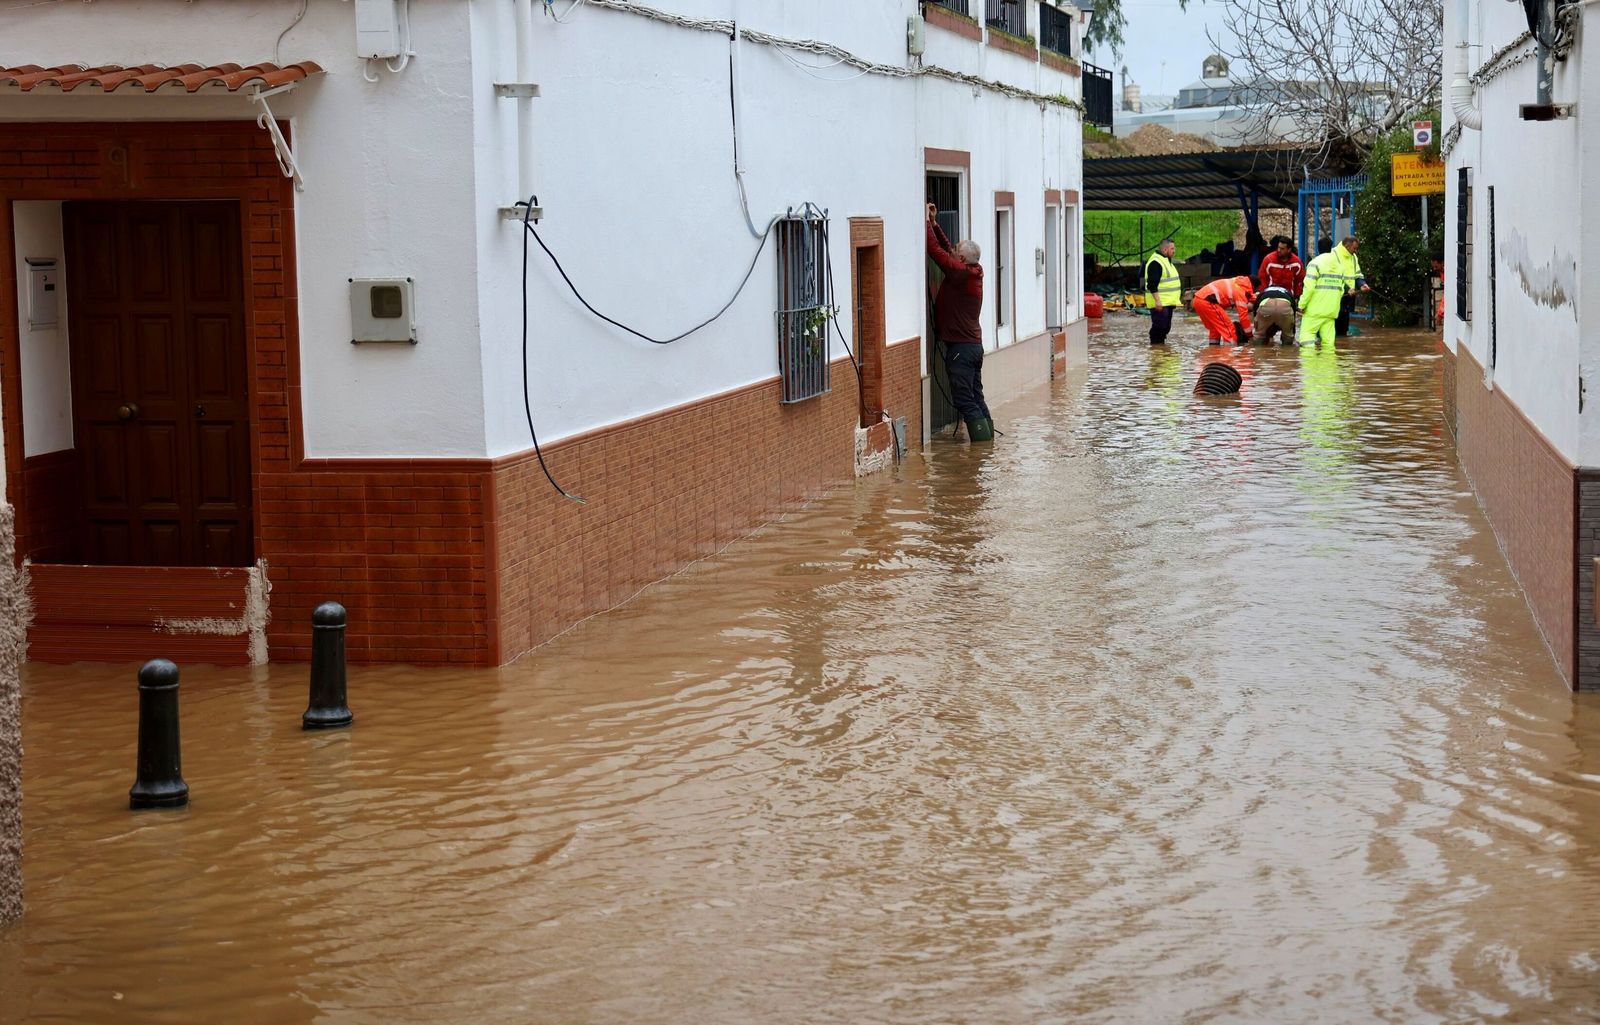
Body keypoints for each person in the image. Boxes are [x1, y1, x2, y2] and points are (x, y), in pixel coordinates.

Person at [926, 203, 993, 440]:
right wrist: (934, 223)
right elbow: (947, 249)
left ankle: (980, 451)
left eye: (956, 250)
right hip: (973, 347)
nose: (952, 250)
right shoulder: (970, 271)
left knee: (965, 400)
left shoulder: (962, 274)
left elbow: (937, 252)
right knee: (976, 396)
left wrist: (923, 222)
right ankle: (987, 448)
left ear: (962, 258)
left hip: (962, 350)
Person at [1298, 247, 1345, 346]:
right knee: (1328, 344)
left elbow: (1309, 288)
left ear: (1318, 249)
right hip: (1331, 311)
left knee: (1307, 339)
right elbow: (1341, 290)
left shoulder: (1314, 264)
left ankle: (1309, 361)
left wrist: (1301, 305)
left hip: (1314, 311)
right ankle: (1328, 361)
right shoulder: (1340, 265)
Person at [1193, 275, 1255, 344]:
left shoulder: (1238, 283)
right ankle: (1229, 351)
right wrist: (1250, 336)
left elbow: (1250, 296)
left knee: (1215, 329)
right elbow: (1243, 317)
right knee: (1229, 330)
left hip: (1197, 300)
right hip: (1208, 302)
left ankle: (1213, 351)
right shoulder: (1240, 293)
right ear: (1253, 287)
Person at [1143, 238, 1182, 346]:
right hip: (1160, 303)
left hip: (1167, 302)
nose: (1174, 250)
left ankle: (1160, 350)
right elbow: (1152, 284)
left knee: (1165, 327)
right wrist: (1158, 301)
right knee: (1160, 327)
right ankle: (1155, 349)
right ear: (1165, 249)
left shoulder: (1165, 260)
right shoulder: (1156, 262)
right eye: (1172, 248)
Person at [1332, 235, 1368, 337]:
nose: (1356, 251)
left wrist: (1362, 284)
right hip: (1336, 296)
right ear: (1347, 246)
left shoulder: (1353, 257)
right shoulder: (1334, 255)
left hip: (1348, 297)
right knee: (1334, 327)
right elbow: (1333, 277)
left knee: (1343, 328)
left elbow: (1358, 274)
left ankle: (1341, 348)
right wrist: (1347, 289)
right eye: (1354, 248)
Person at [1257, 235, 1304, 299]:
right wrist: (1262, 295)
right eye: (1278, 247)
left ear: (1289, 250)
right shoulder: (1269, 260)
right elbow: (1262, 279)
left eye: (1282, 249)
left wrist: (1297, 297)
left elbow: (1299, 282)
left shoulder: (1296, 263)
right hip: (1270, 296)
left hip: (1289, 297)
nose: (1279, 250)